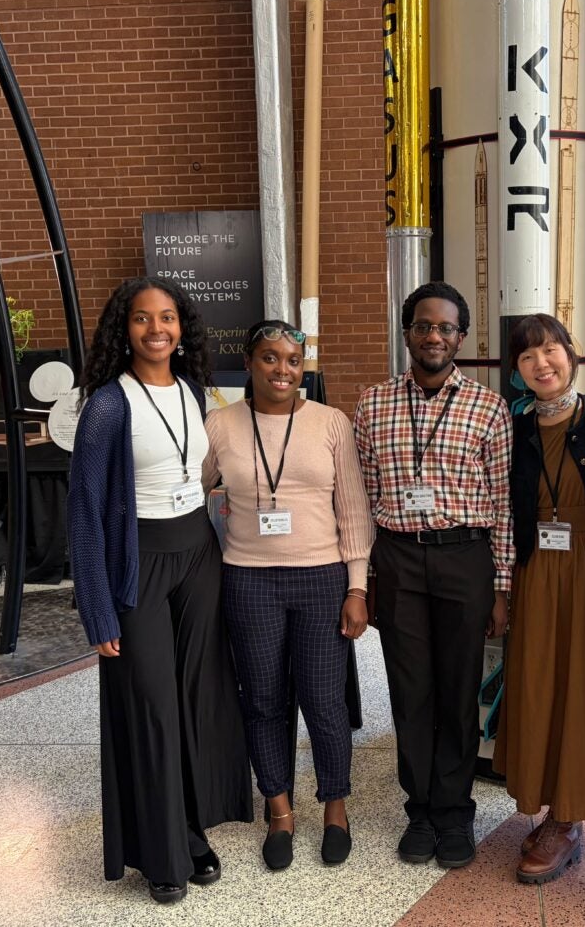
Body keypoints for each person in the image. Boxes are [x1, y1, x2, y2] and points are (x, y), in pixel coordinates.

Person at [67, 276, 252, 904]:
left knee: (196, 699)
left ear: (182, 328)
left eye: (167, 318)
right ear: (125, 328)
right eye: (143, 319)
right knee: (150, 706)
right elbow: (85, 513)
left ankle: (191, 830)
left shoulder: (193, 392)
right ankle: (160, 852)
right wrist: (97, 610)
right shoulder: (107, 406)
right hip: (137, 564)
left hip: (198, 556)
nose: (156, 329)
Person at [202, 320, 373, 871]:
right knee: (264, 700)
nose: (283, 370)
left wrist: (357, 586)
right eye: (270, 358)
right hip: (248, 578)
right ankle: (279, 810)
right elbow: (190, 487)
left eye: (294, 360)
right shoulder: (220, 425)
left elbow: (352, 510)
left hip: (322, 578)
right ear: (249, 363)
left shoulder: (330, 423)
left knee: (324, 700)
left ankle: (335, 806)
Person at [353, 281, 512, 870]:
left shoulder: (489, 408)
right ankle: (419, 810)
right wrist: (363, 578)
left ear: (461, 338)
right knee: (410, 691)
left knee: (457, 688)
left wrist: (502, 586)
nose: (434, 336)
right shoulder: (373, 404)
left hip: (463, 557)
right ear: (408, 333)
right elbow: (362, 498)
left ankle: (455, 811)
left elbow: (501, 504)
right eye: (424, 325)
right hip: (397, 557)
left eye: (446, 328)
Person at [492, 313, 585, 884]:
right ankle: (547, 802)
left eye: (551, 349)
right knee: (539, 683)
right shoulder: (513, 430)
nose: (542, 363)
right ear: (516, 371)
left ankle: (568, 818)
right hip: (536, 571)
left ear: (573, 352)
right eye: (527, 356)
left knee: (584, 687)